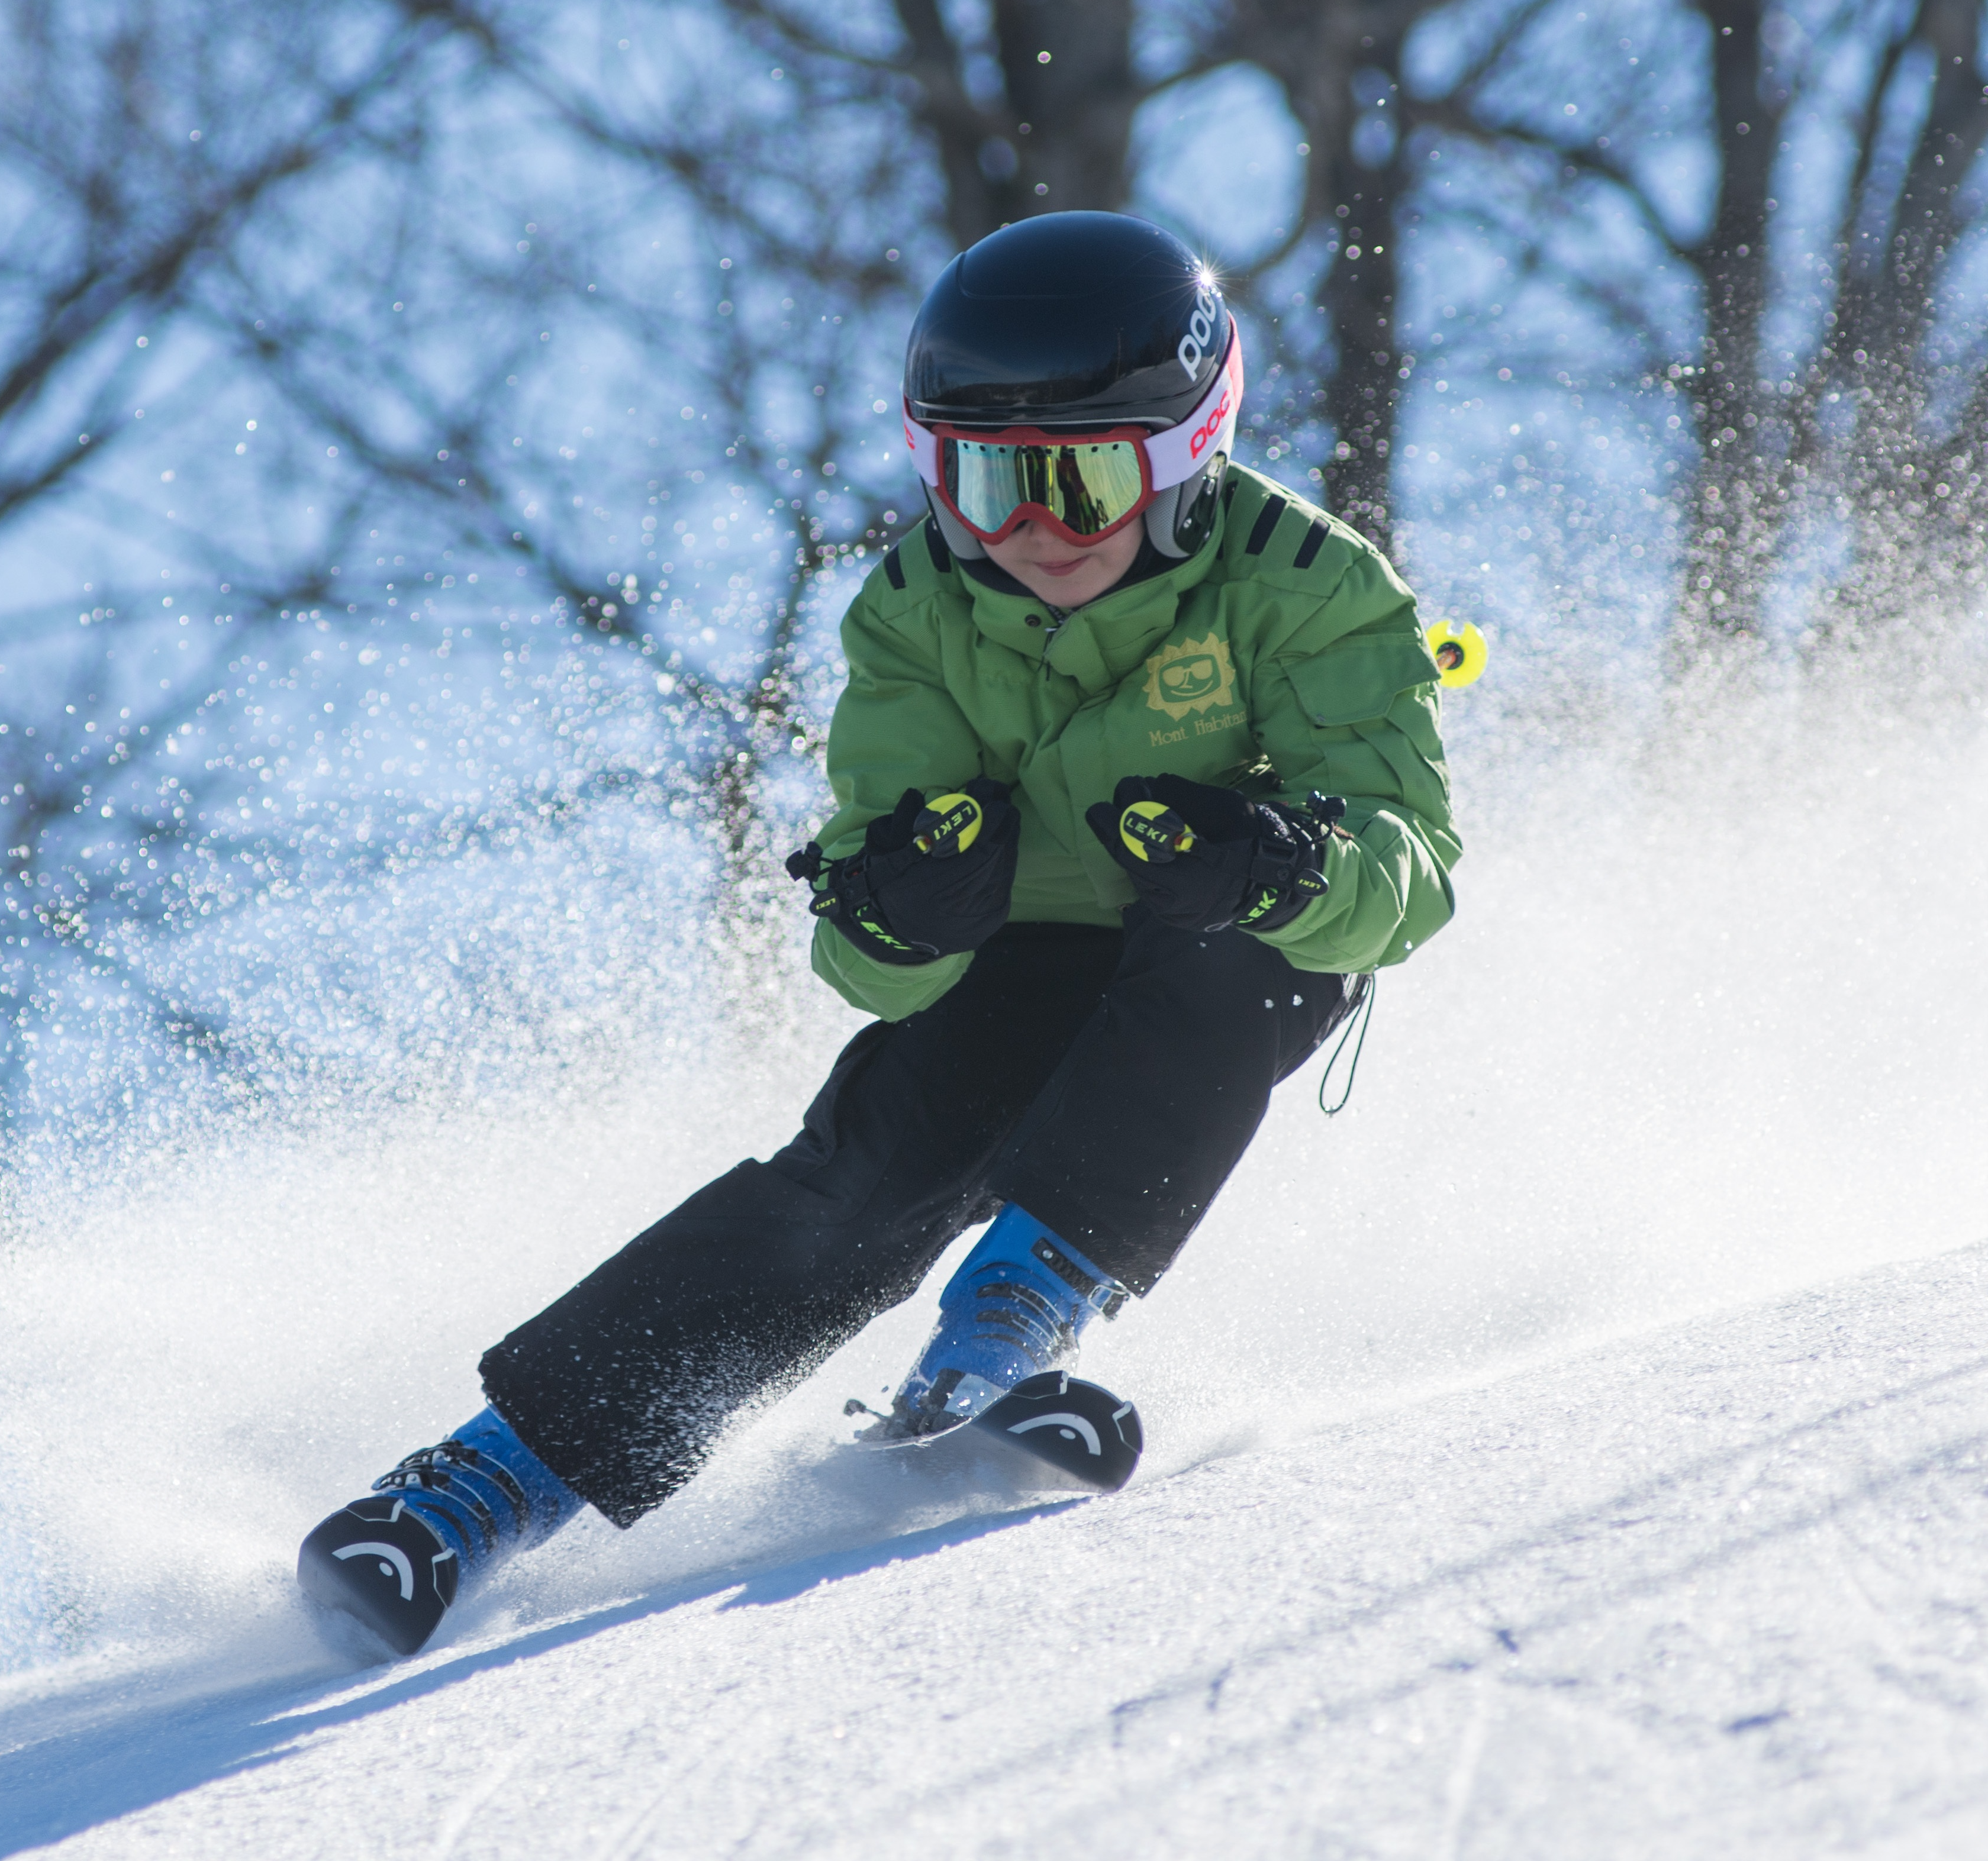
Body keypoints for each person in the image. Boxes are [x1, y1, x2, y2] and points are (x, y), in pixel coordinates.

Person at [297, 211, 1462, 1658]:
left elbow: (1410, 872)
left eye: (1082, 481)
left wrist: (1282, 863)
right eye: (980, 481)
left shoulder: (1311, 583)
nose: (1028, 530)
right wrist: (903, 907)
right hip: (1020, 955)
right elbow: (863, 952)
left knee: (1250, 959)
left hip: (1221, 941)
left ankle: (1002, 1332)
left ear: (1184, 459)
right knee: (868, 1171)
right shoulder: (916, 609)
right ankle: (482, 1486)